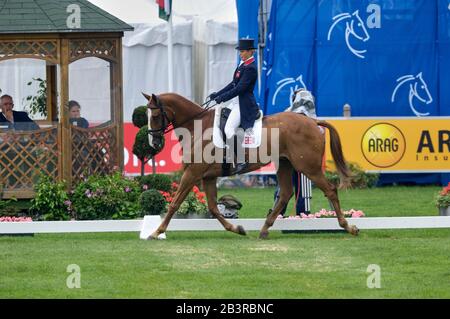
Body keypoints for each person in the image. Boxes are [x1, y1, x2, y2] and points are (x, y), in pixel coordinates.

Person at [209, 38, 261, 174]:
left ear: (251, 52)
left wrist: (222, 98)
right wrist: (217, 94)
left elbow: (240, 89)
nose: (240, 54)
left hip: (244, 104)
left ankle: (242, 160)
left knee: (229, 129)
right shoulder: (242, 65)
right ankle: (226, 157)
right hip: (236, 102)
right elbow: (233, 84)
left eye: (243, 51)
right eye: (240, 51)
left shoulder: (251, 68)